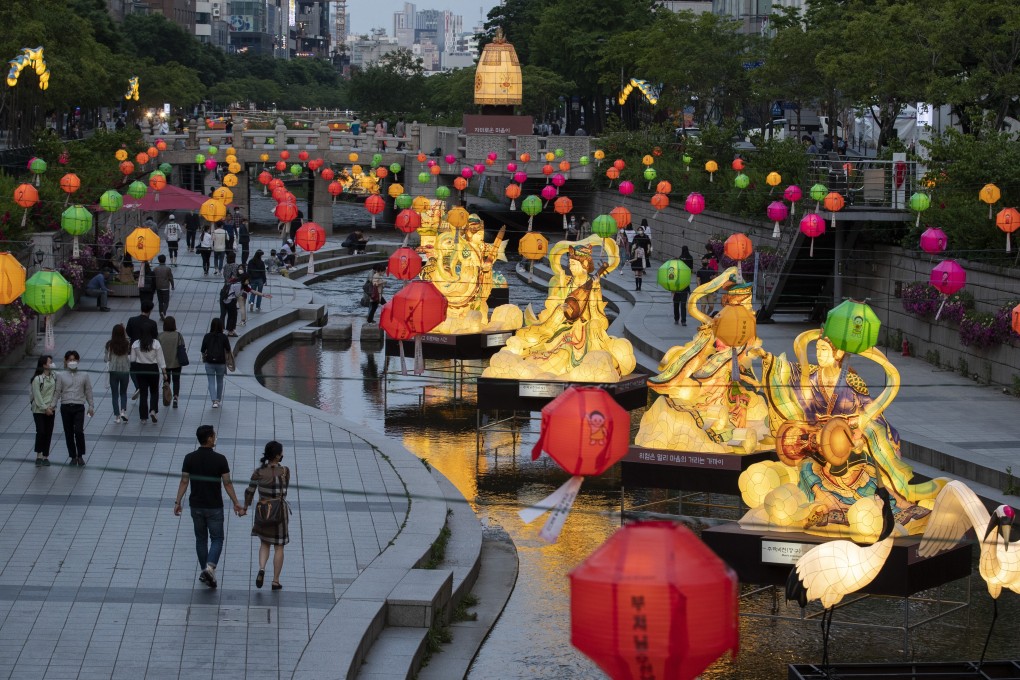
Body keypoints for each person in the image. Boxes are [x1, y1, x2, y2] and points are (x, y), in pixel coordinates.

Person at [173, 425, 245, 589]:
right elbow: (227, 483)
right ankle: (210, 568)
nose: (215, 438)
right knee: (217, 539)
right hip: (214, 506)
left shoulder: (189, 458)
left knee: (201, 539)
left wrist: (178, 502)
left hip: (196, 506)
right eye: (214, 435)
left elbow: (184, 481)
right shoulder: (220, 459)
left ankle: (205, 571)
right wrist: (236, 502)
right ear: (210, 438)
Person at [243, 440, 290, 590]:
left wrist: (245, 507)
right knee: (279, 546)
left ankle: (262, 568)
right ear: (277, 456)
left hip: (263, 511)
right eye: (281, 452)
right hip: (279, 511)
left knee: (264, 543)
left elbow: (250, 491)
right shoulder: (284, 471)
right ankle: (275, 581)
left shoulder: (258, 472)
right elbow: (285, 490)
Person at [54, 350, 94, 466]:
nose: (72, 362)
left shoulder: (84, 375)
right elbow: (57, 391)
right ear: (66, 361)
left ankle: (80, 455)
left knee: (79, 431)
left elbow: (88, 391)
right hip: (66, 406)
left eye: (74, 360)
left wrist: (91, 406)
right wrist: (53, 405)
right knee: (68, 432)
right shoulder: (61, 375)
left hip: (79, 406)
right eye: (70, 360)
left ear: (78, 360)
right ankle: (72, 456)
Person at [130, 325, 167, 424]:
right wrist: (164, 372)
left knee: (143, 393)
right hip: (153, 369)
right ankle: (153, 410)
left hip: (140, 369)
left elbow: (132, 359)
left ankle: (143, 417)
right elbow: (160, 359)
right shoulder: (156, 343)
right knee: (154, 391)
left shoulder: (136, 344)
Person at [30, 355, 56, 466]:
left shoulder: (54, 376)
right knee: (41, 431)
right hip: (39, 410)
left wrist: (51, 407)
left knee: (48, 432)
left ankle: (45, 456)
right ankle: (39, 455)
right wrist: (45, 408)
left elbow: (56, 392)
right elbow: (37, 396)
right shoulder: (37, 379)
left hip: (51, 409)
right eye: (50, 362)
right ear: (44, 365)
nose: (52, 364)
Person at [201, 318, 232, 408]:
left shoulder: (207, 336)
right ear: (221, 326)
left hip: (209, 362)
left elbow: (202, 349)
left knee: (211, 382)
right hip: (221, 362)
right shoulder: (224, 337)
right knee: (220, 381)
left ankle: (214, 401)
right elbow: (228, 349)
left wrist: (204, 356)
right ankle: (218, 399)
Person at [105, 324, 132, 423]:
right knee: (123, 392)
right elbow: (130, 356)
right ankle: (123, 411)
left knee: (115, 394)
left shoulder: (109, 344)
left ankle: (117, 417)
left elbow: (106, 359)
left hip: (113, 371)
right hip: (125, 371)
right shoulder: (127, 343)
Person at [158, 316, 184, 409]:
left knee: (166, 380)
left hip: (164, 363)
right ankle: (175, 397)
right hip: (176, 362)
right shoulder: (178, 335)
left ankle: (167, 397)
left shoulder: (160, 336)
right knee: (176, 380)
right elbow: (182, 346)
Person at [673, 246, 695, 326]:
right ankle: (683, 321)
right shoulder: (690, 258)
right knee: (683, 305)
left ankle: (676, 319)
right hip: (685, 285)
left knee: (676, 304)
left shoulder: (680, 258)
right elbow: (691, 269)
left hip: (677, 286)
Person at [153, 254, 174, 321]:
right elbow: (170, 278)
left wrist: (154, 287)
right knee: (166, 302)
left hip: (158, 287)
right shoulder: (168, 269)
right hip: (165, 287)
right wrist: (173, 286)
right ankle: (163, 312)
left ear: (158, 260)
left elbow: (153, 279)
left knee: (160, 302)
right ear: (165, 260)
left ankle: (160, 314)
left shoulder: (155, 269)